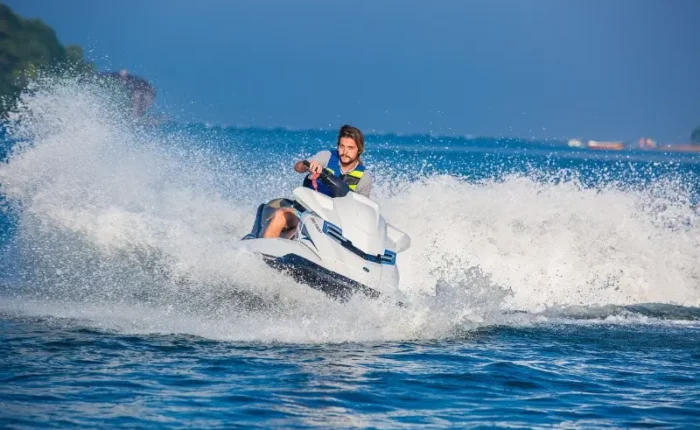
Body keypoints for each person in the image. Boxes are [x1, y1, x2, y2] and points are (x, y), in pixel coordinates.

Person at [262, 124, 373, 239]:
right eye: (342, 146)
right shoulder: (326, 157)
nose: (345, 152)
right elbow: (298, 167)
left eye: (350, 148)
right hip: (305, 212)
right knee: (280, 215)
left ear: (359, 150)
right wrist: (307, 166)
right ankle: (263, 254)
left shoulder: (364, 178)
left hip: (335, 225)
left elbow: (362, 213)